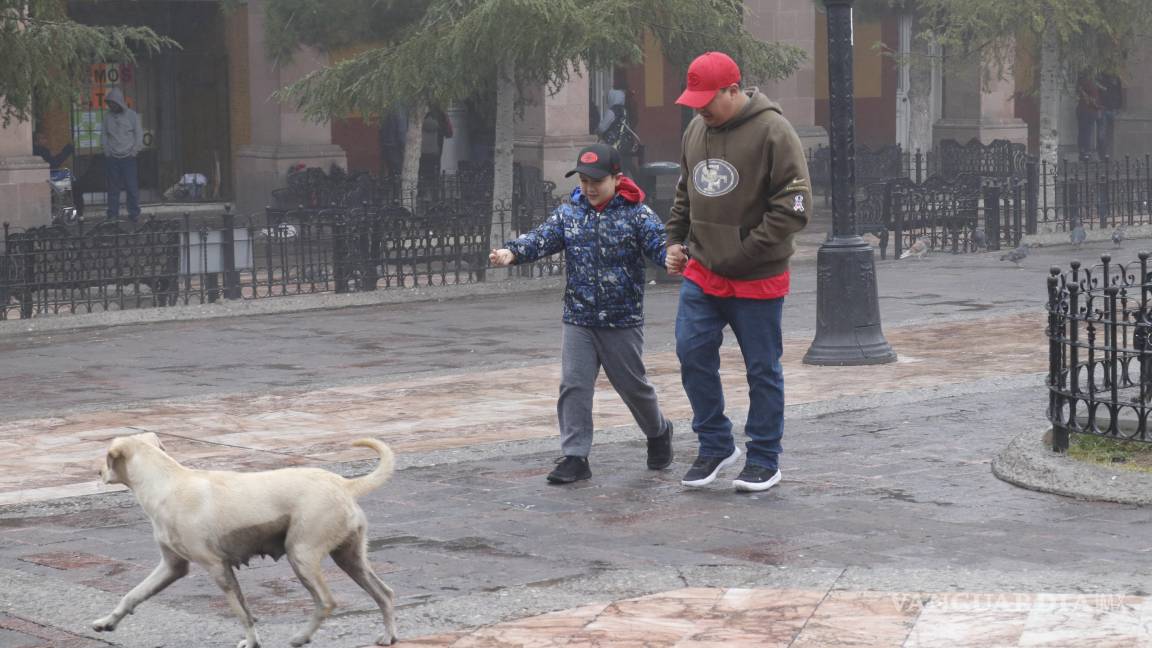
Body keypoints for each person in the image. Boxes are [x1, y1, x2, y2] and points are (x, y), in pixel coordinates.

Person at [664, 52, 811, 493]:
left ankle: (764, 457)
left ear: (734, 90)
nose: (700, 109)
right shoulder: (696, 129)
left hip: (757, 276)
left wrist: (747, 251)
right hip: (704, 271)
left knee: (762, 369)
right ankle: (715, 444)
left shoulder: (774, 131)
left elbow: (795, 205)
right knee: (691, 354)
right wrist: (675, 238)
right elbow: (685, 191)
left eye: (708, 100)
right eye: (694, 102)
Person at [489, 143, 673, 484]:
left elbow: (660, 247)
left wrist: (674, 258)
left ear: (617, 179)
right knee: (574, 386)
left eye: (597, 180)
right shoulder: (569, 212)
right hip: (579, 318)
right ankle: (575, 457)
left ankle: (659, 431)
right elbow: (542, 238)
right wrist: (512, 253)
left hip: (622, 320)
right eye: (584, 179)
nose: (589, 187)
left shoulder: (638, 214)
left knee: (633, 388)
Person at [101, 86, 144, 222]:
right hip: (113, 157)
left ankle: (134, 213)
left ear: (119, 102)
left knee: (131, 187)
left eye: (113, 103)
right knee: (113, 188)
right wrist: (107, 151)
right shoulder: (107, 117)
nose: (111, 105)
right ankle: (112, 214)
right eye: (109, 103)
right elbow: (104, 135)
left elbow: (139, 134)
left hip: (128, 158)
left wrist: (134, 151)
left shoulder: (132, 115)